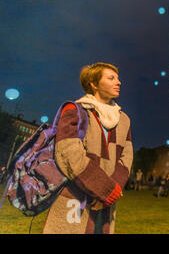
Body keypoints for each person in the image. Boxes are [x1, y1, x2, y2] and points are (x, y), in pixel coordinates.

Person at [42, 62, 133, 234]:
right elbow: (68, 154)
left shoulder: (124, 120)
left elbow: (127, 157)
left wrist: (110, 191)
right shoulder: (75, 110)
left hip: (107, 202)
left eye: (118, 78)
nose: (119, 82)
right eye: (111, 78)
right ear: (93, 83)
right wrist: (103, 190)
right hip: (74, 199)